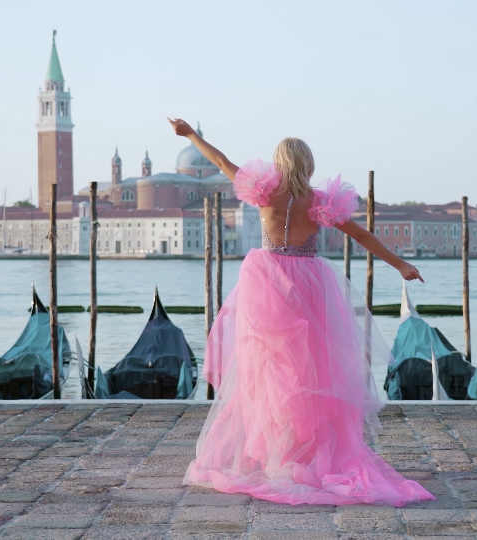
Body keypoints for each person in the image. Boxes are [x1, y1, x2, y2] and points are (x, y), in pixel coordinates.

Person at [169, 118, 434, 507]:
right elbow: (361, 236)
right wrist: (400, 265)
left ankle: (279, 454)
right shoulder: (320, 201)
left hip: (267, 280)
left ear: (278, 162)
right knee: (313, 366)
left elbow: (222, 162)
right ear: (308, 164)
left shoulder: (264, 192)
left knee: (270, 368)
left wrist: (191, 136)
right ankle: (306, 453)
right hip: (309, 282)